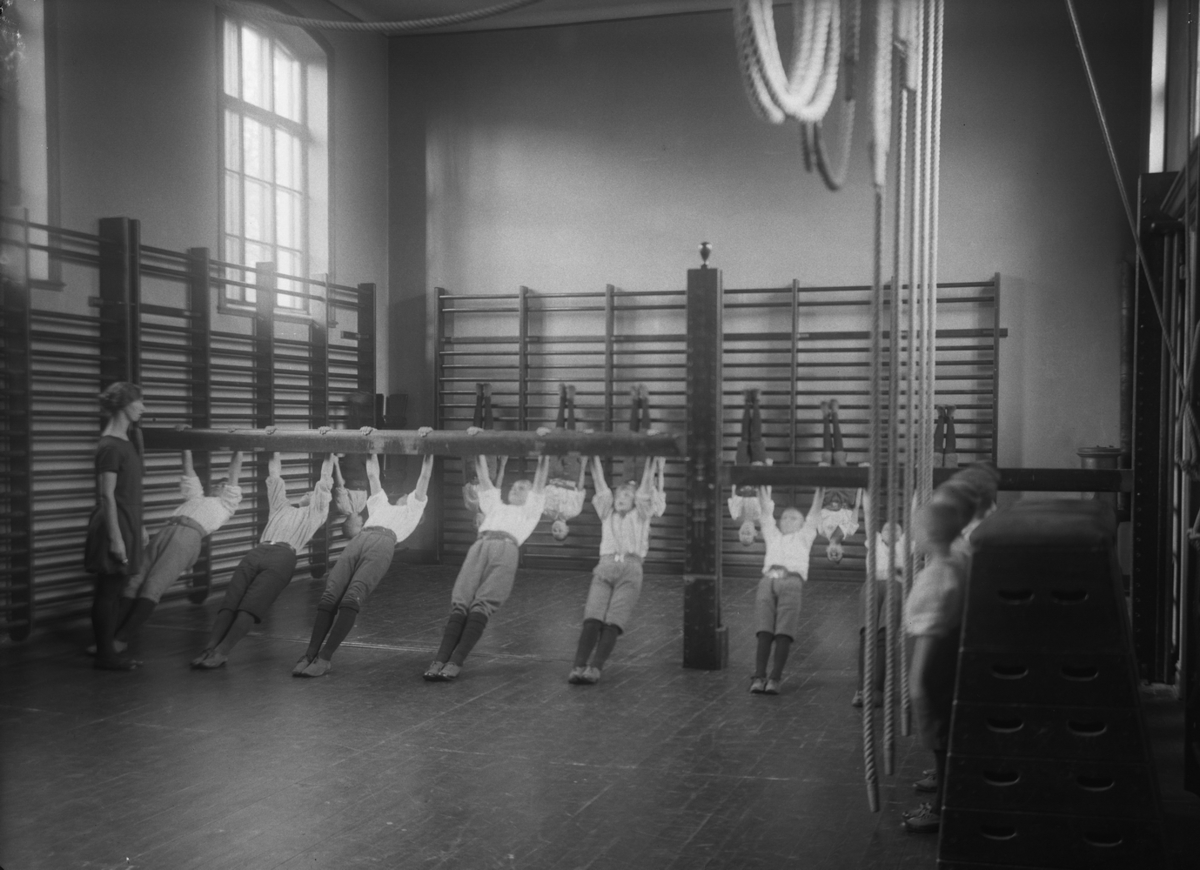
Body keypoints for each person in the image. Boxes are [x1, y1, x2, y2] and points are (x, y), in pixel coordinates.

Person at [901, 464, 998, 834]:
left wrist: (917, 686)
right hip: (944, 653)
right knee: (943, 736)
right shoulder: (956, 561)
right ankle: (946, 793)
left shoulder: (941, 573)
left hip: (935, 659)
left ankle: (943, 806)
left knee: (940, 734)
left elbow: (929, 634)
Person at [295, 445, 435, 677]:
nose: (406, 494)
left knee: (352, 598)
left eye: (410, 496)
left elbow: (424, 477)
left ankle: (325, 657)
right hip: (360, 539)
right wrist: (371, 446)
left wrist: (429, 449)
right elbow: (373, 474)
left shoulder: (413, 511)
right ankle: (309, 654)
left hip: (382, 544)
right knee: (330, 595)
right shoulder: (381, 504)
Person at [191, 444, 335, 669]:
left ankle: (222, 652)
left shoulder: (315, 513)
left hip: (282, 556)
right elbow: (274, 474)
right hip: (258, 551)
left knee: (249, 607)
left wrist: (330, 449)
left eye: (313, 493)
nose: (310, 493)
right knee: (230, 603)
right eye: (308, 492)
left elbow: (324, 479)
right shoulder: (280, 506)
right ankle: (210, 647)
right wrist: (274, 445)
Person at [425, 452, 551, 681]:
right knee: (461, 601)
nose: (516, 489)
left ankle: (456, 660)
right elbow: (483, 476)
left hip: (505, 549)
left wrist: (544, 453)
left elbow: (541, 479)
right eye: (514, 486)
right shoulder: (495, 505)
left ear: (531, 495)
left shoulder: (531, 510)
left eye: (523, 487)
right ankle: (439, 659)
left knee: (481, 605)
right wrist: (478, 447)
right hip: (480, 546)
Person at [112, 449, 243, 652]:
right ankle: (108, 637)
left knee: (153, 585)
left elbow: (234, 471)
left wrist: (239, 447)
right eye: (218, 483)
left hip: (187, 538)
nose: (221, 485)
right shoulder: (196, 497)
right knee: (134, 581)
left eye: (225, 485)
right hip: (166, 531)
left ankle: (122, 638)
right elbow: (187, 469)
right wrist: (186, 445)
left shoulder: (227, 505)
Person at [568, 455, 666, 685]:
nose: (622, 498)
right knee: (592, 617)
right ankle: (578, 665)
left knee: (613, 620)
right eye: (619, 495)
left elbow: (645, 486)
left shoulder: (641, 514)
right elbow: (599, 482)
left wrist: (652, 461)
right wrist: (593, 457)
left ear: (636, 501)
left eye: (627, 495)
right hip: (605, 567)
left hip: (630, 570)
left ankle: (595, 667)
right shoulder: (607, 513)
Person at [84, 382, 148, 671]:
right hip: (115, 523)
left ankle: (106, 651)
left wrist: (139, 526)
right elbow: (106, 496)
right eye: (139, 402)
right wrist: (116, 538)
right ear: (124, 405)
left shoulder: (125, 440)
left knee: (115, 589)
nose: (143, 408)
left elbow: (129, 491)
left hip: (127, 521)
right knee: (108, 591)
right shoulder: (110, 445)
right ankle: (105, 656)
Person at [748, 484, 821, 694]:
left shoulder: (805, 536)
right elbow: (765, 512)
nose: (788, 520)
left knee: (783, 632)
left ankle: (774, 678)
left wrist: (821, 487)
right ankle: (759, 677)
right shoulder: (773, 535)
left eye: (794, 518)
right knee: (764, 630)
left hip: (791, 583)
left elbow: (815, 513)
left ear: (802, 524)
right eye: (785, 517)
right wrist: (761, 486)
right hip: (768, 581)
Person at [537, 382, 588, 542]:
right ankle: (570, 400)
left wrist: (544, 460)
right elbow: (580, 488)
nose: (556, 530)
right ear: (567, 529)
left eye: (554, 532)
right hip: (571, 475)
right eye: (560, 532)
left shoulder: (545, 510)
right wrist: (584, 464)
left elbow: (541, 484)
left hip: (552, 474)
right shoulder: (574, 511)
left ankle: (561, 399)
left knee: (557, 435)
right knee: (571, 435)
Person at [816, 399, 863, 564]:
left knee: (827, 456)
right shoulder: (850, 530)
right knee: (839, 456)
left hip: (827, 494)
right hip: (845, 494)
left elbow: (817, 506)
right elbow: (856, 506)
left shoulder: (821, 530)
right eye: (838, 555)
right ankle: (834, 414)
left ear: (826, 550)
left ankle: (825, 416)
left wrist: (819, 481)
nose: (834, 554)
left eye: (831, 555)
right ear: (843, 551)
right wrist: (859, 484)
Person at [462, 382, 508, 528]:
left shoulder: (468, 505)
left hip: (472, 467)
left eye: (474, 523)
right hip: (489, 470)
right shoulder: (492, 507)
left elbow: (464, 480)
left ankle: (478, 397)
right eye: (479, 523)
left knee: (475, 430)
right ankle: (487, 398)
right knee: (488, 431)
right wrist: (503, 464)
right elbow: (498, 484)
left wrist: (463, 458)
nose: (476, 520)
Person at [333, 391, 376, 538]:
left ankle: (354, 404)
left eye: (359, 525)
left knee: (355, 434)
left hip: (352, 470)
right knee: (365, 437)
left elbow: (340, 484)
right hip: (363, 473)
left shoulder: (344, 508)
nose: (362, 523)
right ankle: (360, 405)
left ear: (350, 524)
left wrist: (336, 464)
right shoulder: (361, 507)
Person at [730, 388, 768, 547]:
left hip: (742, 472)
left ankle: (747, 401)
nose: (745, 531)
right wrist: (765, 471)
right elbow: (766, 493)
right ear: (755, 533)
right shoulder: (762, 515)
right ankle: (756, 401)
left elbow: (734, 490)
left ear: (738, 531)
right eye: (748, 534)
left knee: (745, 438)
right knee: (756, 438)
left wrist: (736, 469)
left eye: (742, 534)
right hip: (758, 472)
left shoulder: (735, 514)